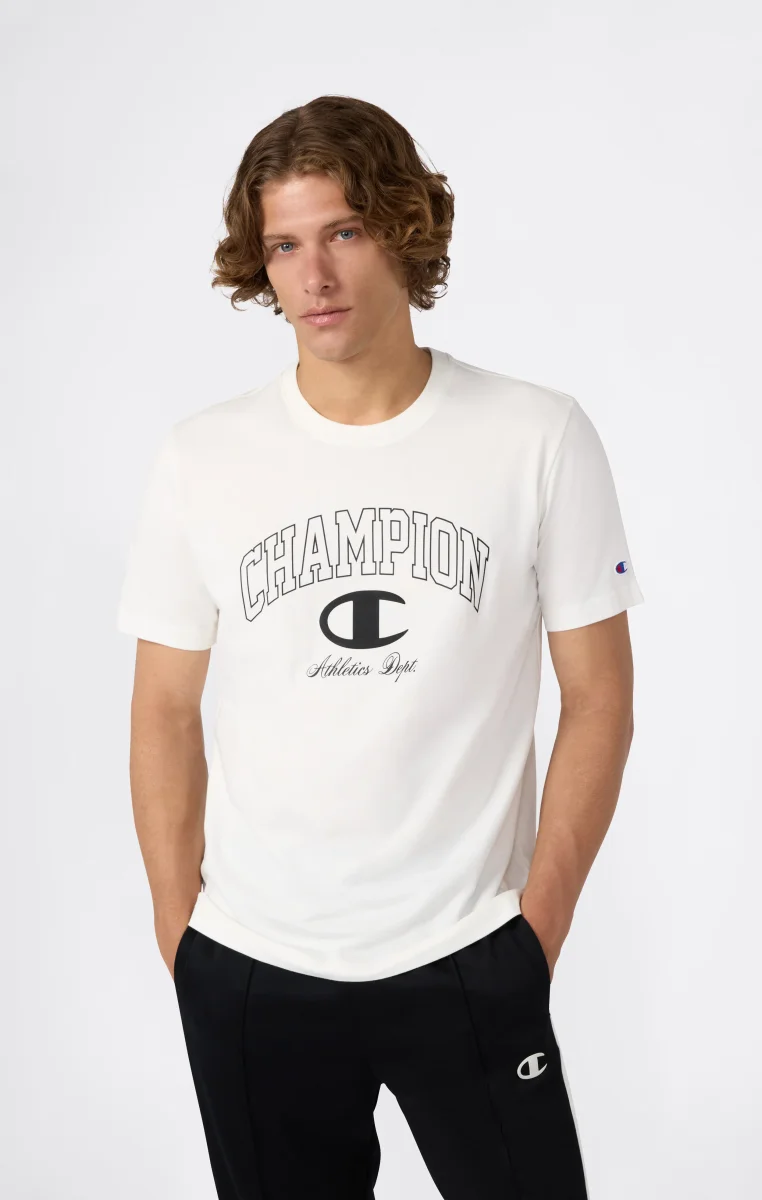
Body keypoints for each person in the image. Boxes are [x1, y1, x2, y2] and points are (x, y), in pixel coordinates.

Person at [116, 94, 644, 1199]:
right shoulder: (203, 458)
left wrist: (535, 930)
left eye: (344, 232)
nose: (313, 277)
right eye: (284, 246)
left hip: (469, 952)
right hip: (253, 964)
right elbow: (163, 706)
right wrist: (183, 939)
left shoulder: (537, 436)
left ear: (404, 229)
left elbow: (598, 696)